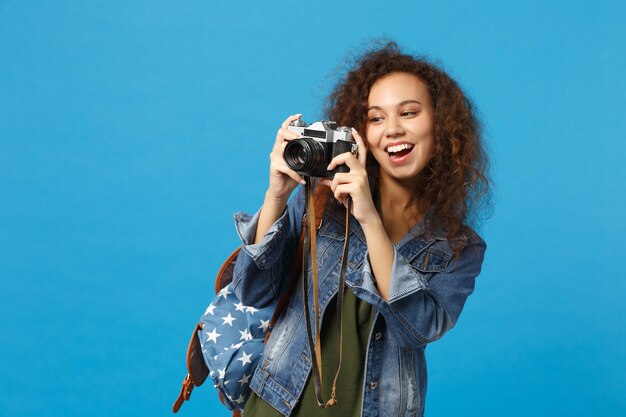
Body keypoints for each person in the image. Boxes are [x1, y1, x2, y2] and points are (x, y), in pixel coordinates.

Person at [230, 42, 491, 417]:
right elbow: (253, 292)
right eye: (376, 118)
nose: (393, 130)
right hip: (278, 406)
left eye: (409, 112)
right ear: (361, 132)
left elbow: (418, 329)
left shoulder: (458, 247)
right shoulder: (320, 203)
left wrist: (369, 218)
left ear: (441, 123)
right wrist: (276, 196)